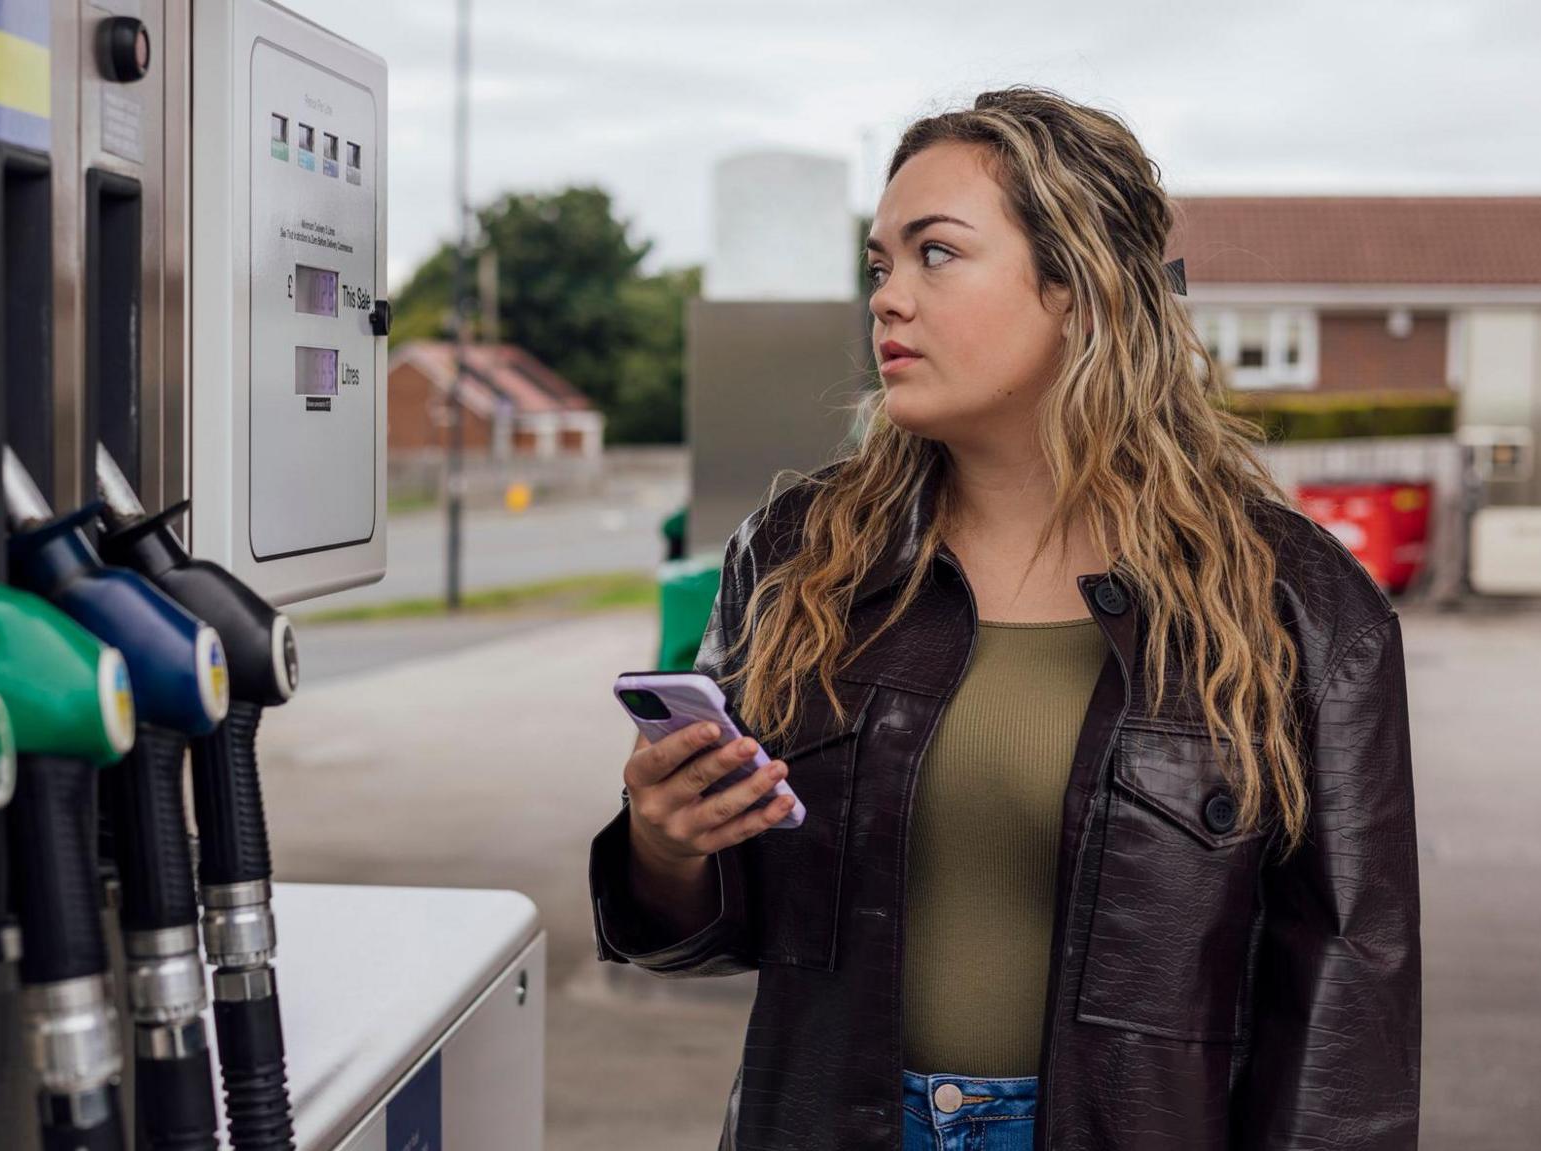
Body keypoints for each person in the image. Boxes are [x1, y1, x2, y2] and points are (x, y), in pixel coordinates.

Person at [587, 86, 1421, 1151]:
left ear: (1076, 289)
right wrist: (664, 845)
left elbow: (1345, 1015)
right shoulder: (797, 557)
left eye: (935, 253)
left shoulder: (1293, 604)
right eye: (878, 265)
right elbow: (713, 925)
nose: (887, 299)